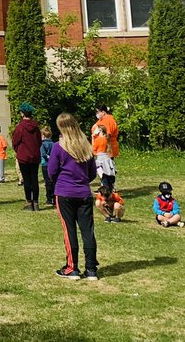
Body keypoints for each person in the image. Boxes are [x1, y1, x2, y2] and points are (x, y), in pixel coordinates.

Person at [47, 112, 99, 280]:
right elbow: (92, 173)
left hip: (64, 193)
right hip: (83, 193)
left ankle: (72, 267)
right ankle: (91, 269)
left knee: (69, 231)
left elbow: (52, 171)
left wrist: (61, 181)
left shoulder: (58, 147)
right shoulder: (86, 146)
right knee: (88, 231)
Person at [12, 103, 42, 211]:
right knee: (34, 179)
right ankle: (36, 202)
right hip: (35, 156)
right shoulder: (36, 127)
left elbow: (15, 141)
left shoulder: (20, 127)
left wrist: (18, 150)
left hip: (24, 156)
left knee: (27, 179)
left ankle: (29, 202)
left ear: (22, 113)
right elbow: (39, 141)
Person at [92, 124, 116, 188]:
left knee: (102, 175)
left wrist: (92, 137)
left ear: (100, 130)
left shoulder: (98, 140)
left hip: (100, 159)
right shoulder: (107, 138)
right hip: (107, 158)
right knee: (108, 174)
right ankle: (111, 188)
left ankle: (105, 188)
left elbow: (93, 150)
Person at [40, 125, 55, 207]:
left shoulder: (43, 145)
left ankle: (49, 199)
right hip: (53, 165)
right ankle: (54, 198)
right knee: (53, 181)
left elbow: (43, 154)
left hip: (45, 164)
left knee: (47, 182)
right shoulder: (54, 144)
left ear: (43, 136)